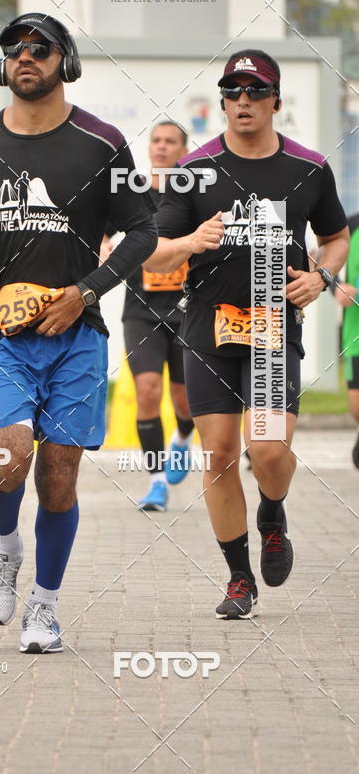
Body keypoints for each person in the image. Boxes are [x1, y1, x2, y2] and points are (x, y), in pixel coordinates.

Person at [0, 12, 156, 653]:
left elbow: (143, 231)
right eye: (13, 49)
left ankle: (45, 606)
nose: (26, 58)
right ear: (0, 65)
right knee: (9, 455)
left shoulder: (102, 144)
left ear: (65, 61)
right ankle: (5, 548)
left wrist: (85, 291)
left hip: (77, 333)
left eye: (41, 48)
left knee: (59, 474)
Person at [144, 49, 349, 619]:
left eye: (255, 92)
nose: (242, 102)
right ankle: (239, 578)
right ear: (223, 102)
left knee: (267, 450)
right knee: (218, 456)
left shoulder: (307, 168)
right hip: (206, 328)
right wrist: (190, 242)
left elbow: (335, 237)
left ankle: (273, 514)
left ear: (275, 102)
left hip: (271, 325)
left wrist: (322, 276)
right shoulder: (196, 170)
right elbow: (156, 256)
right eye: (232, 92)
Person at [122, 122, 195, 511]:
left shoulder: (194, 193)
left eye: (170, 141)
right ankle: (156, 483)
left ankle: (183, 439)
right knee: (148, 391)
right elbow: (103, 233)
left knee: (185, 402)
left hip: (187, 310)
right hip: (141, 310)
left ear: (183, 150)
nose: (162, 147)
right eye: (156, 140)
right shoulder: (132, 192)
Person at [333, 212, 359, 467]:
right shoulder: (351, 225)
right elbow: (324, 259)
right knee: (356, 404)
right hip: (355, 331)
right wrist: (336, 287)